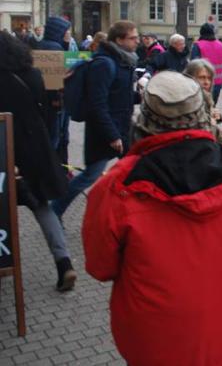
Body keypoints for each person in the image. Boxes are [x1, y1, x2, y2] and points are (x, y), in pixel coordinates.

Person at [83, 71, 222, 366]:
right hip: (216, 336)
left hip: (150, 343)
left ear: (144, 121)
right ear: (202, 113)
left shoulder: (117, 185)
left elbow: (100, 267)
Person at [0, 31, 76, 291]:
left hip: (4, 153)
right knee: (43, 207)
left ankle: (4, 261)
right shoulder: (33, 75)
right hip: (35, 151)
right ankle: (64, 262)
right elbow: (45, 111)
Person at [51, 21, 139, 220]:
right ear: (119, 40)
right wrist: (112, 135)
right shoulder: (104, 64)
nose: (137, 41)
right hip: (105, 132)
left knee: (134, 169)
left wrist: (144, 96)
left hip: (122, 128)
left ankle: (129, 212)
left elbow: (119, 96)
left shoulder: (123, 61)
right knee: (90, 175)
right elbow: (97, 105)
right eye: (133, 38)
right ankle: (55, 209)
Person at [34, 16, 72, 165]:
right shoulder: (54, 47)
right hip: (56, 100)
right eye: (66, 30)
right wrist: (56, 97)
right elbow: (54, 76)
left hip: (47, 99)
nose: (68, 33)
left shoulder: (45, 45)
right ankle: (56, 169)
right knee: (57, 136)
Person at [185, 58, 222, 143]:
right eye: (202, 78)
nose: (207, 82)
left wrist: (215, 116)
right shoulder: (190, 101)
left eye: (209, 78)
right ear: (190, 77)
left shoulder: (206, 97)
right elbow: (208, 133)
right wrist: (212, 123)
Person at [191, 23, 222, 104]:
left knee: (201, 109)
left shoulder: (198, 45)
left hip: (202, 83)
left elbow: (193, 66)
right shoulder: (221, 45)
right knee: (212, 107)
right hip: (218, 83)